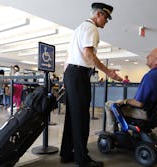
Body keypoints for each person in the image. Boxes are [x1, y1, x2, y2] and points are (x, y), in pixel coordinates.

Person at [60, 2, 122, 167]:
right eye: (106, 18)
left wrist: (66, 79)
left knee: (72, 117)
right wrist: (108, 71)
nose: (106, 22)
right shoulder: (91, 28)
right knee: (81, 118)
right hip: (79, 75)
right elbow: (88, 55)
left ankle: (66, 153)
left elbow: (69, 55)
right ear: (99, 14)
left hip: (71, 74)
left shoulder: (80, 28)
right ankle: (82, 159)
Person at [105, 48, 157, 132]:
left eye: (150, 55)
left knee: (110, 105)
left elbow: (139, 103)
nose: (147, 57)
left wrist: (124, 101)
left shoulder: (150, 76)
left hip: (144, 113)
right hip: (156, 114)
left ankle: (111, 133)